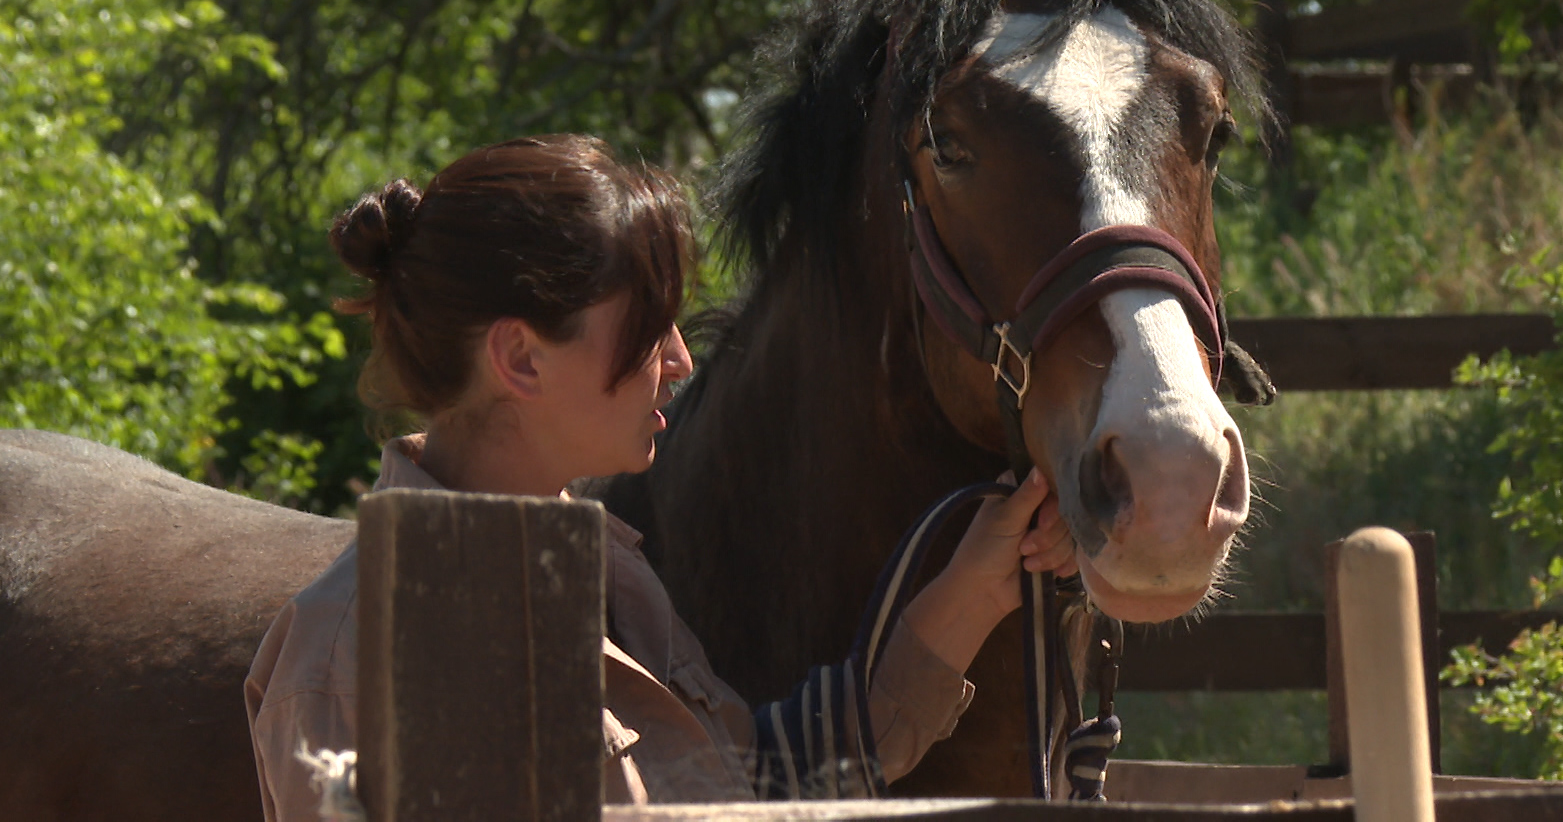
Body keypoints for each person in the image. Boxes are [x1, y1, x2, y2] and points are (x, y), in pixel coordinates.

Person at [244, 135, 1074, 820]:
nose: (679, 360)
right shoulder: (352, 655)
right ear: (521, 358)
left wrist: (974, 590)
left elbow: (757, 792)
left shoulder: (610, 572)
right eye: (647, 327)